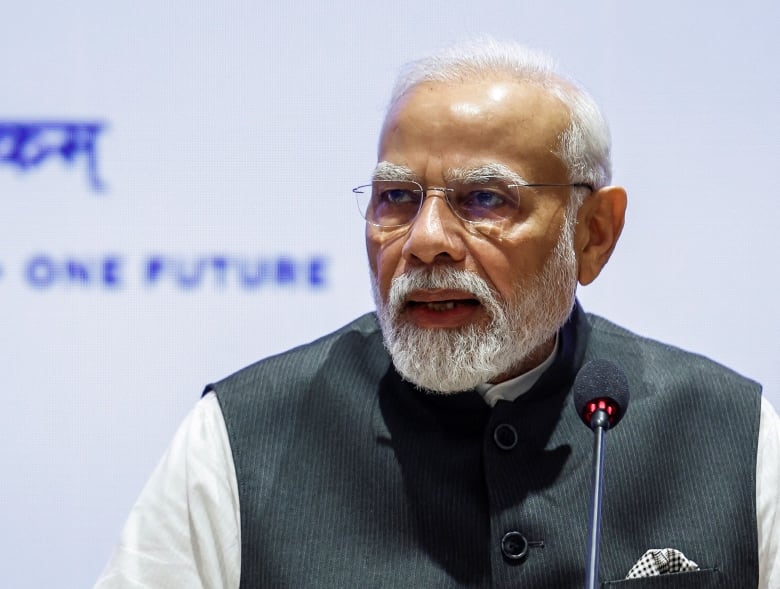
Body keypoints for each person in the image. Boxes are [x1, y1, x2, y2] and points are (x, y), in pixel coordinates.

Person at [95, 39, 779, 588]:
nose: (425, 240)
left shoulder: (732, 434)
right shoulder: (241, 437)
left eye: (484, 199)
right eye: (396, 197)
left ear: (593, 232)